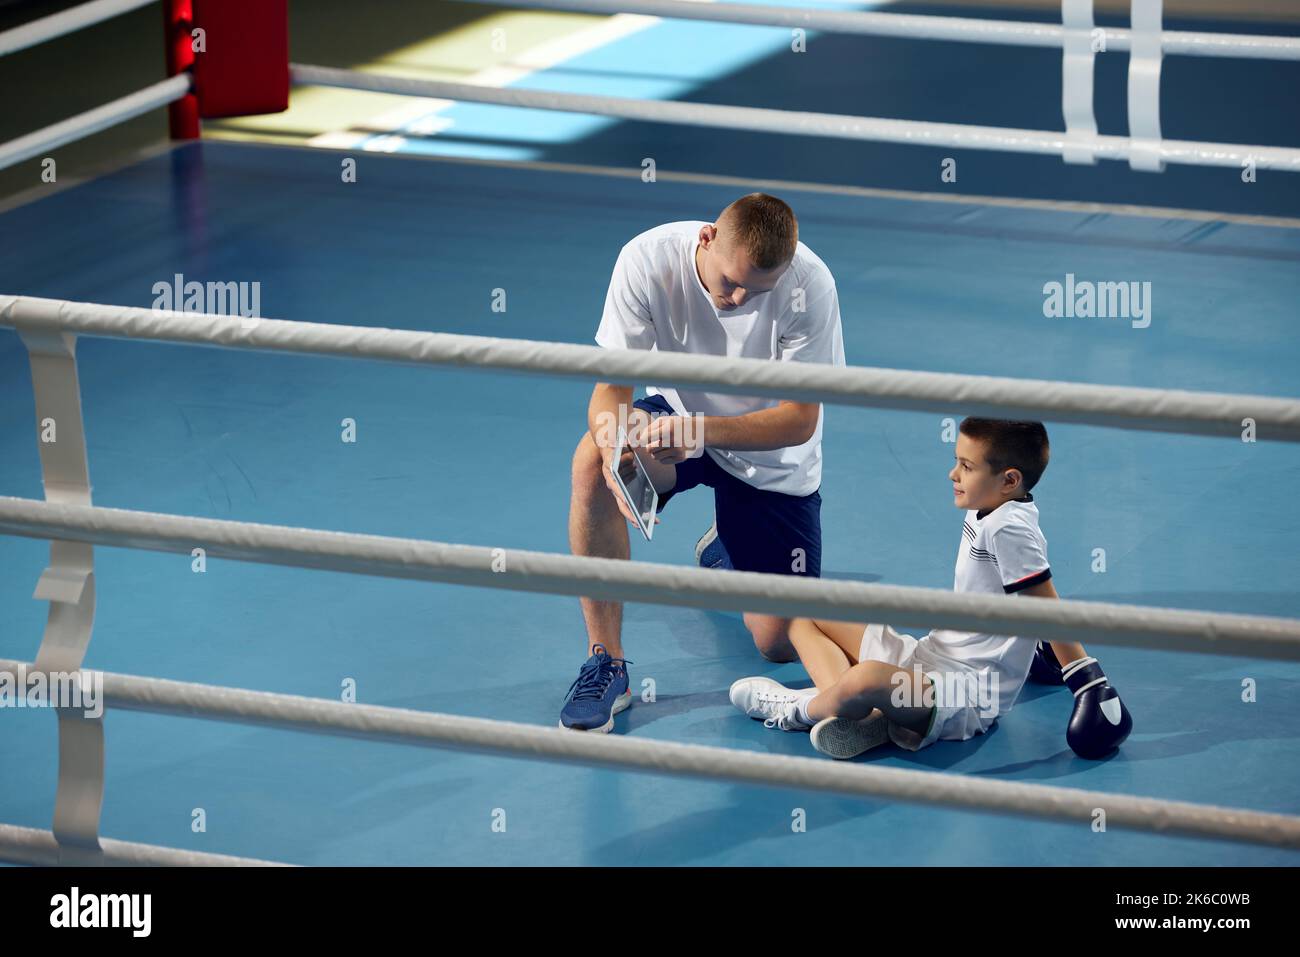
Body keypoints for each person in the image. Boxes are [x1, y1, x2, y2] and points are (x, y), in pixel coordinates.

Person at [562, 193, 845, 732]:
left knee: (779, 643)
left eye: (756, 290)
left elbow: (798, 420)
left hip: (770, 456)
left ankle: (728, 543)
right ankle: (607, 662)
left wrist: (702, 432)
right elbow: (611, 391)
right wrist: (614, 447)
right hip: (674, 418)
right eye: (731, 282)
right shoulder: (647, 260)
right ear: (707, 239)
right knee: (587, 462)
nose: (739, 299)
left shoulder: (810, 285)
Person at [729, 417, 1133, 759]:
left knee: (866, 679)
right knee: (804, 612)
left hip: (963, 694)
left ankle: (800, 709)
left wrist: (1087, 682)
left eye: (966, 466)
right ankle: (862, 717)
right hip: (928, 659)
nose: (952, 474)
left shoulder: (1010, 527)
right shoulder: (994, 507)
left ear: (1009, 480)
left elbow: (1046, 607)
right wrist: (1041, 654)